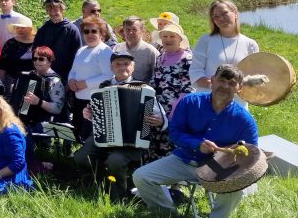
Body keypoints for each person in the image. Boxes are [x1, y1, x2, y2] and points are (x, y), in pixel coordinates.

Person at [134, 64, 258, 218]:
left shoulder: (245, 120)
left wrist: (227, 156)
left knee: (235, 188)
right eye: (222, 80)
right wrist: (197, 144)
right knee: (141, 176)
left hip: (218, 168)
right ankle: (168, 214)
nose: (225, 86)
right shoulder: (190, 101)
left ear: (239, 88)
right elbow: (174, 132)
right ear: (212, 80)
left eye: (232, 83)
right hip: (184, 159)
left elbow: (250, 154)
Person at [73, 51, 166, 202]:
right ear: (111, 67)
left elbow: (162, 118)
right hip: (103, 136)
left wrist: (159, 121)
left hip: (132, 142)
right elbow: (92, 112)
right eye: (118, 64)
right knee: (81, 156)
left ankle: (119, 197)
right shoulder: (103, 86)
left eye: (126, 64)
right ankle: (96, 186)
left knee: (115, 161)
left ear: (133, 67)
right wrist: (87, 113)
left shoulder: (144, 89)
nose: (122, 67)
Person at [189, 0, 259, 107]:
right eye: (216, 16)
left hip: (237, 104)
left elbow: (252, 77)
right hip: (208, 102)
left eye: (224, 13)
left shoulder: (250, 44)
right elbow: (195, 73)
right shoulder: (205, 41)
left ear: (235, 13)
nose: (221, 18)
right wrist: (218, 87)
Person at [147, 22, 194, 161]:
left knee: (172, 151)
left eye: (172, 36)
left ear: (180, 39)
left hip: (176, 114)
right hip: (157, 112)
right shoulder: (160, 58)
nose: (168, 39)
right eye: (165, 36)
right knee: (154, 151)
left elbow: (188, 90)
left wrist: (170, 117)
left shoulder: (187, 59)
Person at [68, 16, 113, 140]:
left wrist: (85, 83)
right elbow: (73, 71)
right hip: (79, 100)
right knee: (78, 135)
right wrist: (71, 80)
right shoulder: (81, 50)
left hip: (94, 102)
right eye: (86, 31)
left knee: (90, 138)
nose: (90, 34)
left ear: (101, 33)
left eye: (94, 31)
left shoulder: (104, 50)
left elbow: (108, 76)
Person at [33, 0, 83, 84]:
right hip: (44, 76)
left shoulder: (72, 29)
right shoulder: (43, 29)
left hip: (65, 76)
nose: (53, 13)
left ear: (62, 9)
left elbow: (77, 56)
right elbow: (35, 52)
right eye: (49, 10)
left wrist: (71, 78)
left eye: (56, 10)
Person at [0, 16, 36, 97]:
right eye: (17, 28)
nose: (20, 30)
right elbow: (1, 66)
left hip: (33, 81)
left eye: (23, 28)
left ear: (30, 29)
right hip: (12, 81)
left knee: (29, 104)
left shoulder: (38, 42)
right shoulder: (10, 43)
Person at [113, 16, 159, 83]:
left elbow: (156, 75)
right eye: (128, 29)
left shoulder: (150, 51)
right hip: (119, 86)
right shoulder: (118, 48)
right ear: (123, 31)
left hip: (141, 87)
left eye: (134, 29)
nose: (130, 33)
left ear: (142, 31)